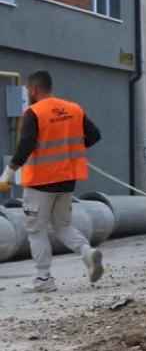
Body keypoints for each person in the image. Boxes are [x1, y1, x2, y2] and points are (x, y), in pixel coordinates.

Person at [0, 71, 105, 292]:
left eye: (29, 90)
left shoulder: (34, 112)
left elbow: (26, 144)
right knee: (63, 225)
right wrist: (70, 150)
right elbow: (94, 135)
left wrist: (9, 172)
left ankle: (43, 279)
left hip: (41, 181)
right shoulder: (73, 109)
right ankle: (87, 253)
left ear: (34, 89)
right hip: (67, 179)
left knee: (36, 230)